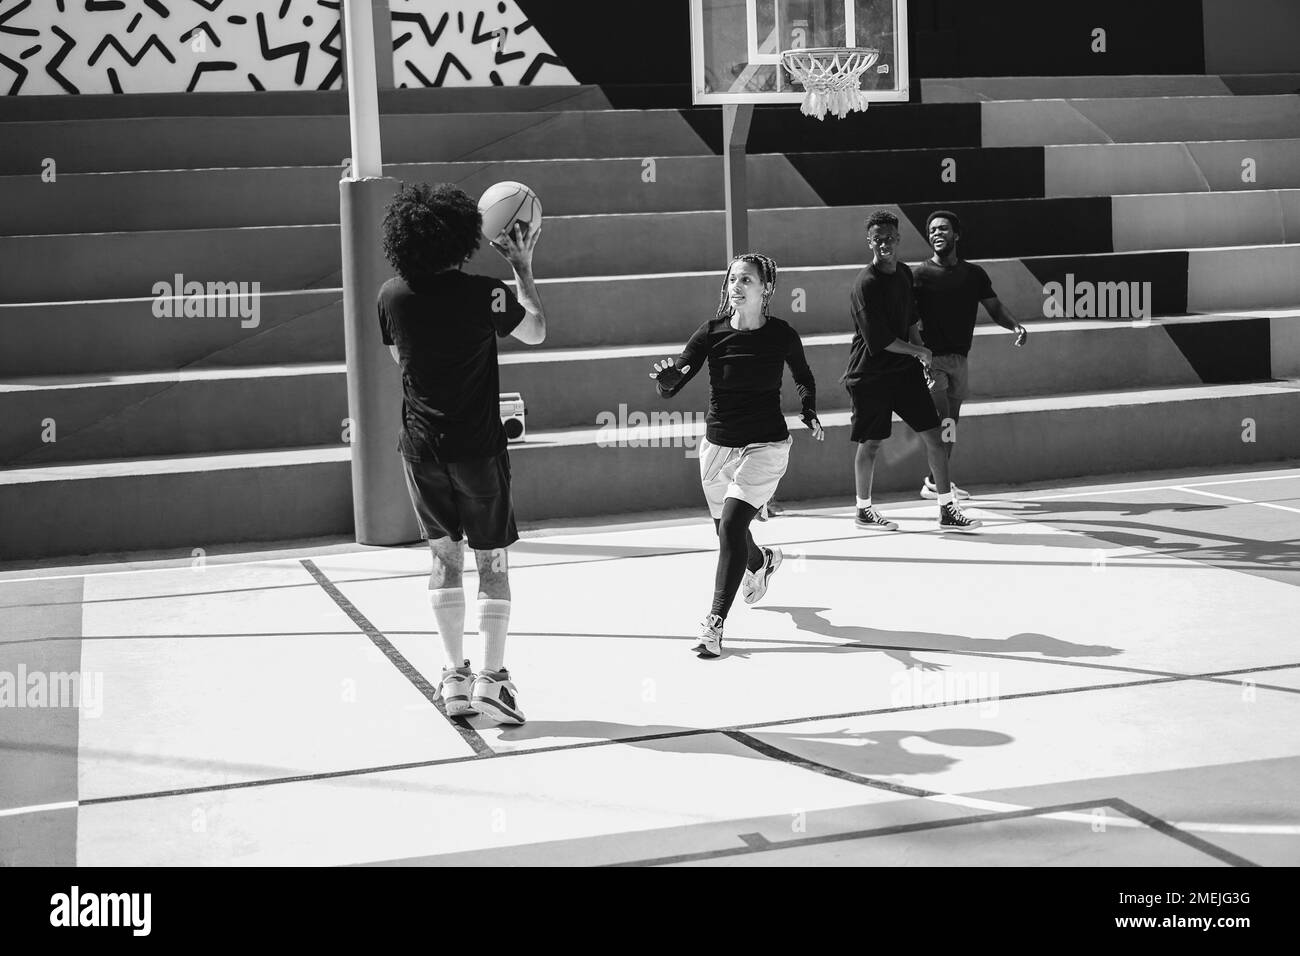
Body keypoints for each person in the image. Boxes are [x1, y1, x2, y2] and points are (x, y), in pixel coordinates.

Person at [378, 182, 545, 724]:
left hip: (421, 449)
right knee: (491, 561)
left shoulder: (390, 296)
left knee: (443, 557)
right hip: (477, 448)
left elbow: (395, 358)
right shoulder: (486, 294)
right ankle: (493, 681)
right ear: (462, 237)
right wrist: (521, 265)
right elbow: (537, 330)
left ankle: (453, 678)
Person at [650, 253, 823, 659]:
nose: (737, 285)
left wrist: (809, 407)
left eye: (747, 279)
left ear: (766, 289)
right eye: (732, 279)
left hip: (766, 446)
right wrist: (667, 381)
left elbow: (803, 376)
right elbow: (674, 381)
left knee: (729, 528)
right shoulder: (710, 333)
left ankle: (713, 625)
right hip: (717, 447)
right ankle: (760, 560)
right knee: (728, 532)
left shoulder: (781, 334)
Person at [842, 210, 981, 533]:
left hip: (904, 372)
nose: (884, 244)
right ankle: (863, 510)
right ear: (869, 242)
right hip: (870, 375)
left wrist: (922, 357)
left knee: (933, 435)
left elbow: (909, 322)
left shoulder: (904, 274)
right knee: (871, 443)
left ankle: (947, 507)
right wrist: (919, 350)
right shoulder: (865, 285)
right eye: (878, 239)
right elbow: (880, 339)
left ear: (898, 239)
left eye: (890, 238)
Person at [912, 210, 1027, 500]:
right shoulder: (920, 275)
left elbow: (995, 307)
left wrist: (1015, 326)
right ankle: (942, 492)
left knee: (950, 424)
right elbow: (907, 317)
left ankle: (934, 481)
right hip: (932, 360)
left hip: (959, 360)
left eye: (943, 229)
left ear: (956, 235)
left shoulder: (973, 274)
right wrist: (918, 352)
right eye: (933, 230)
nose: (937, 234)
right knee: (941, 423)